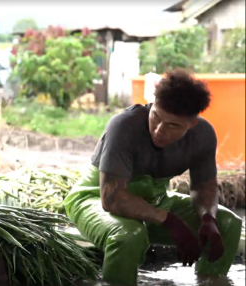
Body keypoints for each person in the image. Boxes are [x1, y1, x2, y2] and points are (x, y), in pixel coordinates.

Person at [63, 69, 243, 286]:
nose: (159, 130)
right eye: (156, 116)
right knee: (129, 235)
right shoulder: (123, 126)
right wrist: (171, 222)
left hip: (155, 201)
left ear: (192, 124)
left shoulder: (203, 135)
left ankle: (209, 281)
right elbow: (112, 198)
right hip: (94, 200)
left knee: (228, 224)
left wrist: (208, 219)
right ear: (152, 104)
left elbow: (204, 187)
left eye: (173, 125)